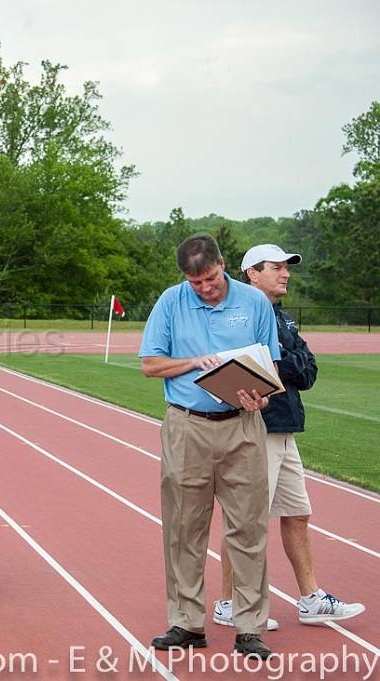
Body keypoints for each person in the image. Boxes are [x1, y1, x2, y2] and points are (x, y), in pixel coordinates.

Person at [139, 234, 280, 659]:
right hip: (187, 426)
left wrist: (263, 396)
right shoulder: (170, 301)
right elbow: (150, 364)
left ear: (223, 265)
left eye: (210, 278)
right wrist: (194, 362)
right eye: (195, 281)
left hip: (243, 425)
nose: (204, 287)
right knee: (184, 528)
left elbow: (271, 368)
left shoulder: (255, 303)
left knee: (248, 529)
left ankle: (249, 627)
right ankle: (187, 622)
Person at [212, 244, 365, 629]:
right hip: (255, 428)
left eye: (286, 268)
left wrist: (281, 361)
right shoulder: (239, 316)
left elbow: (307, 370)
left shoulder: (283, 319)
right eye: (276, 268)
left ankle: (311, 599)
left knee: (297, 515)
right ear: (252, 273)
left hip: (286, 428)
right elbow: (242, 370)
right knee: (246, 521)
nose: (286, 274)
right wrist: (280, 364)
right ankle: (229, 603)